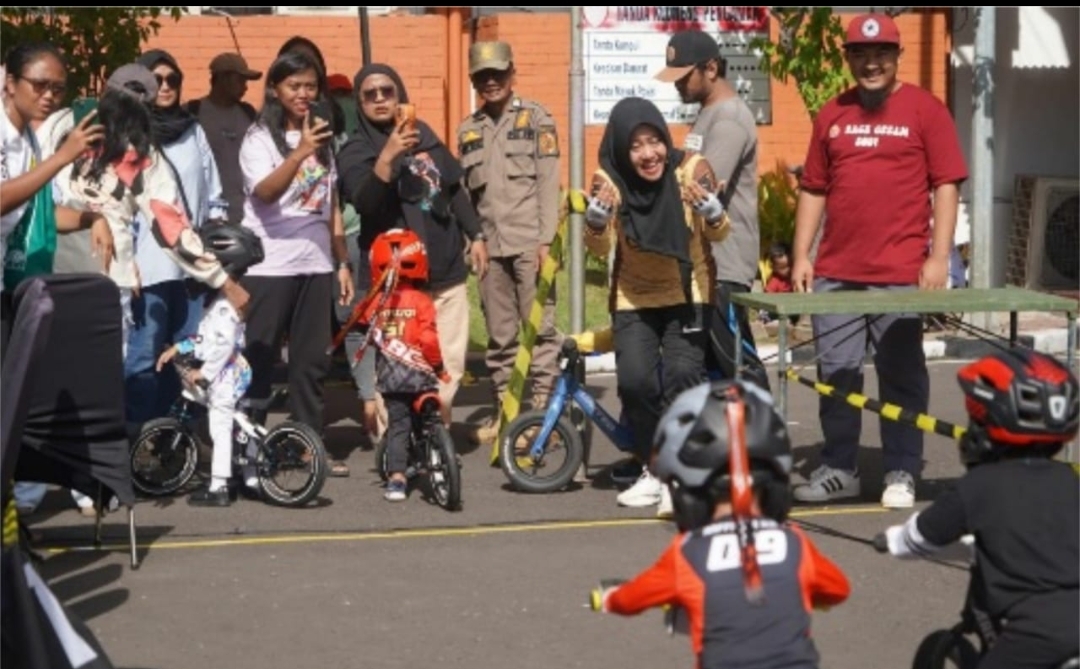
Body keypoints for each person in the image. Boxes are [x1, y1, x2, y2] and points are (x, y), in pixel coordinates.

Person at [789, 13, 968, 509]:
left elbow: (946, 185)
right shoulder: (832, 114)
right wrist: (802, 254)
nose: (872, 63)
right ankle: (840, 468)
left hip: (901, 275)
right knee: (838, 375)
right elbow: (814, 188)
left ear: (897, 56)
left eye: (881, 54)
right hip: (836, 274)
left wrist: (939, 258)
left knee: (901, 375)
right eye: (861, 54)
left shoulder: (925, 110)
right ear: (848, 58)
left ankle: (901, 471)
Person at [595, 379, 851, 669]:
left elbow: (631, 600)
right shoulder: (795, 543)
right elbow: (838, 589)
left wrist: (610, 598)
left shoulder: (688, 555)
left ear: (687, 494)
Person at [881, 348, 1079, 669]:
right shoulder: (1069, 481)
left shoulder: (978, 487)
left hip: (1035, 634)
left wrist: (892, 539)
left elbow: (916, 539)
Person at [583, 97, 730, 514]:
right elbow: (600, 248)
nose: (649, 154)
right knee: (635, 384)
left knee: (683, 375)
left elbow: (719, 234)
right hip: (634, 295)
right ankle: (654, 469)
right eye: (636, 146)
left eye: (654, 141)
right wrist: (595, 223)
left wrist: (714, 213)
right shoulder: (609, 180)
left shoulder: (691, 170)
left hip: (689, 292)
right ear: (621, 151)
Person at [338, 63, 486, 432]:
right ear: (359, 103)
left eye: (387, 91)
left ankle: (437, 439)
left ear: (399, 94)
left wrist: (477, 234)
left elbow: (453, 189)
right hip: (395, 283)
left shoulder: (425, 135)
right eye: (369, 94)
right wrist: (387, 156)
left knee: (447, 365)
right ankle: (396, 449)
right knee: (398, 367)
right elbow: (366, 202)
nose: (379, 99)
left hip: (446, 271)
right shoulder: (356, 150)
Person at [236, 51, 354, 476]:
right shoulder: (259, 138)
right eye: (294, 86)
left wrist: (341, 262)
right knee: (260, 357)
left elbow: (332, 203)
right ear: (275, 90)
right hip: (270, 265)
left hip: (316, 263)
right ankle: (248, 446)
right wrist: (300, 151)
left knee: (310, 362)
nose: (304, 94)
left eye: (310, 86)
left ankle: (308, 444)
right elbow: (264, 193)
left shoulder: (323, 139)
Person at [456, 40, 560, 444]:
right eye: (483, 76)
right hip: (490, 247)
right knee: (501, 338)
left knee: (540, 332)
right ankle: (508, 412)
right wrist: (473, 239)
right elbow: (465, 195)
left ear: (512, 74)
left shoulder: (536, 119)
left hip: (530, 243)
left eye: (498, 73)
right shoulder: (468, 129)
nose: (491, 81)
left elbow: (549, 182)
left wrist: (547, 241)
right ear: (474, 81)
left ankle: (543, 417)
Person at [656, 29, 767, 390]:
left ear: (712, 68)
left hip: (725, 263)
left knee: (736, 361)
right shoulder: (709, 113)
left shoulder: (730, 120)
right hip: (705, 261)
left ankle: (766, 440)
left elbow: (701, 187)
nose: (677, 85)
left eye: (684, 76)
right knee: (712, 368)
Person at [125, 48, 227, 427]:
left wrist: (215, 239)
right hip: (146, 266)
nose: (165, 87)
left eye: (173, 80)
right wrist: (125, 259)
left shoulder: (193, 129)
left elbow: (213, 193)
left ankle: (173, 445)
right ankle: (136, 440)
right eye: (156, 79)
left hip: (190, 269)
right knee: (142, 356)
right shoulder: (128, 133)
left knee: (186, 356)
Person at [2, 43, 111, 348]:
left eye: (58, 89)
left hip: (10, 284)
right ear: (11, 83)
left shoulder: (30, 142)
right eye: (39, 85)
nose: (49, 96)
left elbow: (40, 211)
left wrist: (91, 218)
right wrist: (62, 157)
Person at [155, 224, 265, 507]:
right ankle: (250, 476)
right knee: (237, 425)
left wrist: (203, 373)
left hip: (226, 373)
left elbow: (223, 345)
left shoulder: (226, 306)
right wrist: (180, 348)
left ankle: (219, 487)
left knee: (220, 426)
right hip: (227, 371)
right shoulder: (219, 302)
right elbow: (204, 338)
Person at [356, 228, 449, 502]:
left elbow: (362, 326)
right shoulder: (422, 301)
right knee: (429, 417)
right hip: (421, 377)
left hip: (392, 381)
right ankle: (438, 453)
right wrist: (439, 367)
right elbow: (429, 340)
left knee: (399, 426)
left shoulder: (376, 302)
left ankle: (397, 479)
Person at [186, 53, 261, 226]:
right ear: (222, 78)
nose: (245, 87)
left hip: (248, 217)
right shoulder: (193, 113)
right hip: (206, 217)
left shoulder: (249, 115)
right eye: (240, 80)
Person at [761, 241, 799, 327]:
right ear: (773, 267)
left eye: (789, 265)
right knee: (766, 312)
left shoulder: (794, 277)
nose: (787, 270)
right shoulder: (775, 280)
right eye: (782, 268)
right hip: (777, 308)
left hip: (792, 308)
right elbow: (767, 296)